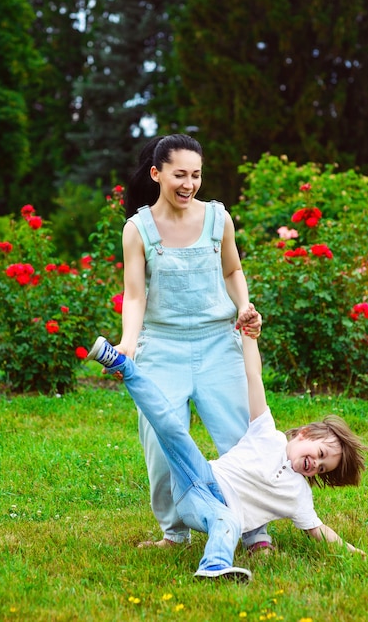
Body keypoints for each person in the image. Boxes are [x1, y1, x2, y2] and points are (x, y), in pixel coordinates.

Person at [86, 323, 368, 582]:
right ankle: (122, 364)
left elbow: (318, 530)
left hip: (208, 508)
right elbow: (253, 376)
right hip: (199, 475)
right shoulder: (266, 432)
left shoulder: (298, 496)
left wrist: (350, 550)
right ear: (304, 432)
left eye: (322, 469)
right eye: (319, 454)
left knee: (229, 521)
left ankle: (214, 566)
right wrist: (249, 335)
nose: (315, 464)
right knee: (170, 426)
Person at [115, 133, 270, 551]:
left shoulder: (218, 219)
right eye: (179, 174)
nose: (189, 184)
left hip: (218, 344)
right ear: (157, 173)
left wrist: (244, 305)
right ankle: (175, 532)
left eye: (196, 175)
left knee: (240, 438)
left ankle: (256, 531)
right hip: (162, 348)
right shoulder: (138, 229)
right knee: (162, 444)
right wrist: (129, 343)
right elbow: (134, 294)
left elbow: (233, 271)